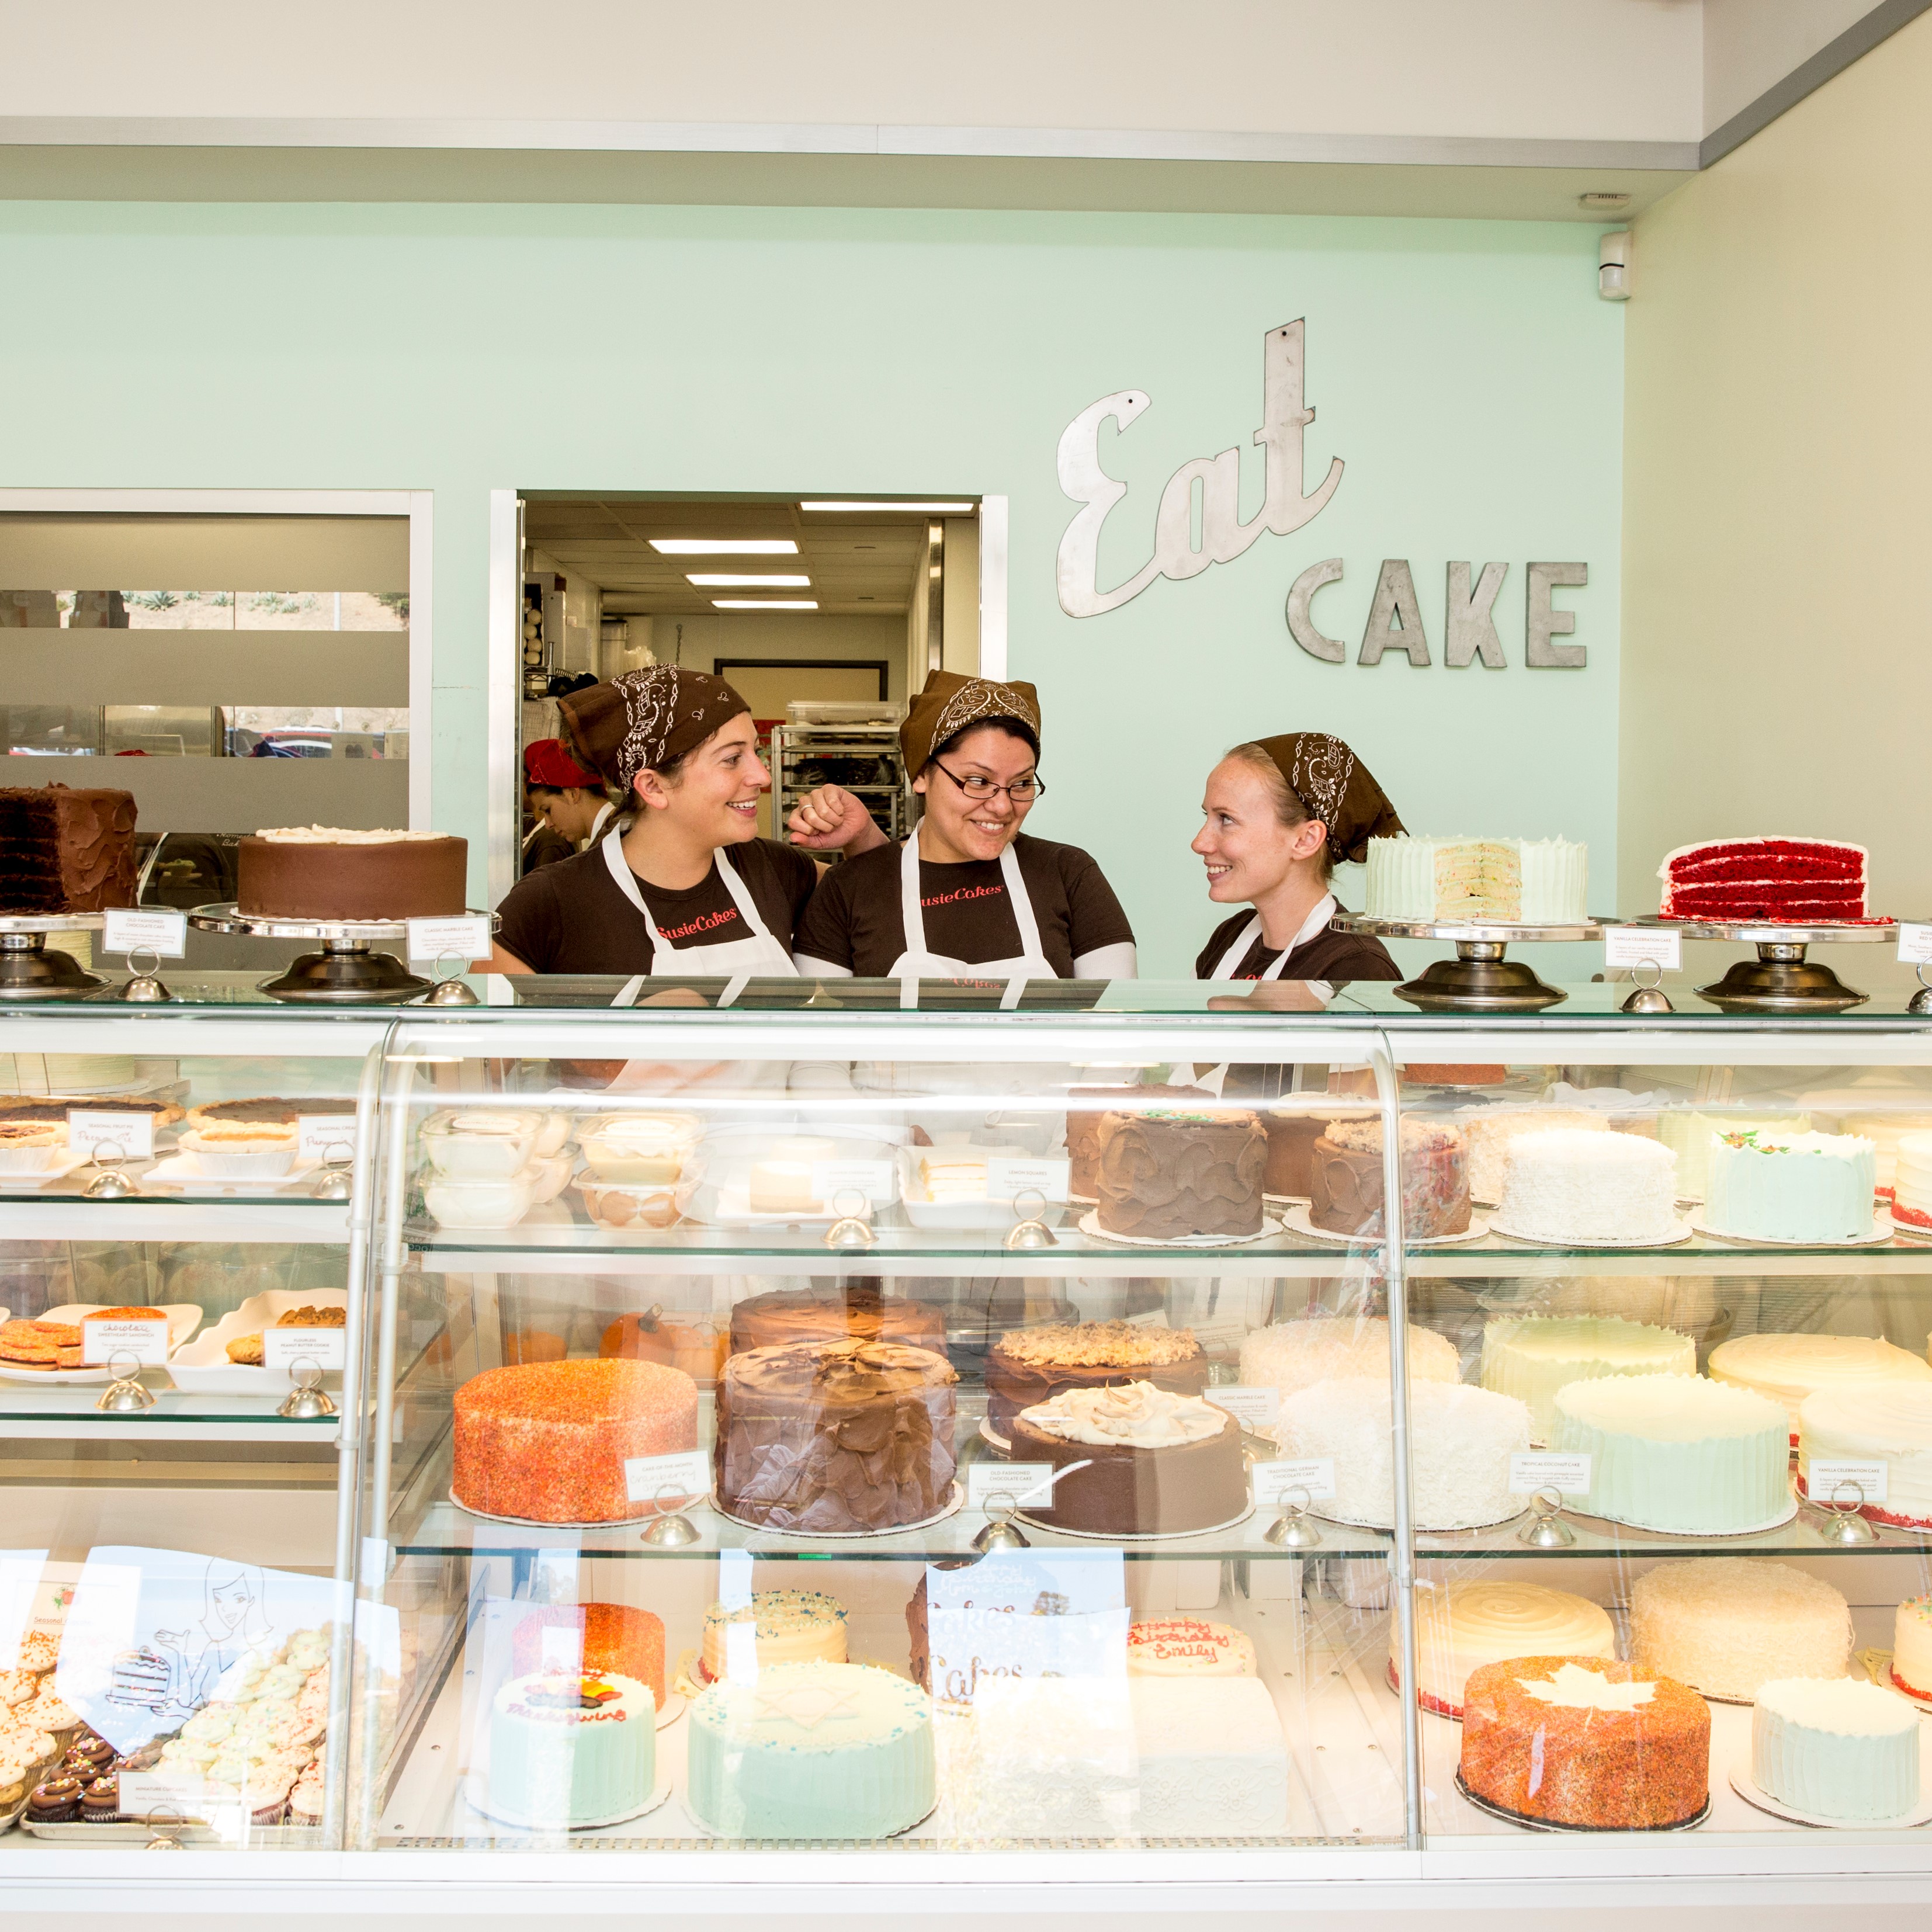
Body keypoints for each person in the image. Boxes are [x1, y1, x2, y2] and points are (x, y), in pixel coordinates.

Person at [790, 670, 1136, 980]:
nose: (1002, 807)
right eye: (978, 781)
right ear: (922, 774)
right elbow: (819, 1029)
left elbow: (1114, 1019)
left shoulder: (1068, 873)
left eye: (1021, 783)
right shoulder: (847, 888)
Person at [484, 667, 817, 978]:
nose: (762, 776)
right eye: (732, 759)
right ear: (653, 787)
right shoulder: (551, 901)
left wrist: (848, 839)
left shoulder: (775, 867)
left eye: (755, 752)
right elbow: (482, 1015)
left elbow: (850, 902)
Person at [1192, 731, 1404, 984]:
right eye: (1207, 816)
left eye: (1226, 819)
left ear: (1306, 840)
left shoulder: (1358, 968)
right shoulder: (1230, 936)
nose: (1199, 843)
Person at [520, 739, 606, 873]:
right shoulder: (607, 839)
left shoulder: (615, 843)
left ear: (573, 794)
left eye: (548, 810)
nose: (548, 825)